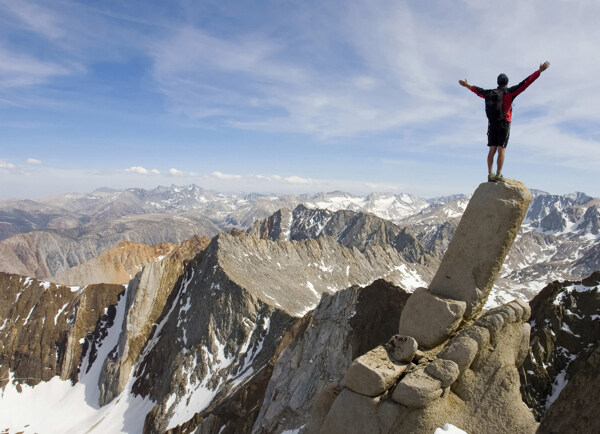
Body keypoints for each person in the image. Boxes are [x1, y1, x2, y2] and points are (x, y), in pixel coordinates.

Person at [459, 61, 550, 182]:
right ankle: (498, 174)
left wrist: (466, 85)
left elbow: (477, 90)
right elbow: (526, 83)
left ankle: (490, 174)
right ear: (507, 83)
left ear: (497, 83)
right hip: (504, 123)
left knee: (492, 149)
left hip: (492, 124)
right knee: (501, 148)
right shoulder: (510, 92)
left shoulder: (489, 93)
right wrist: (539, 71)